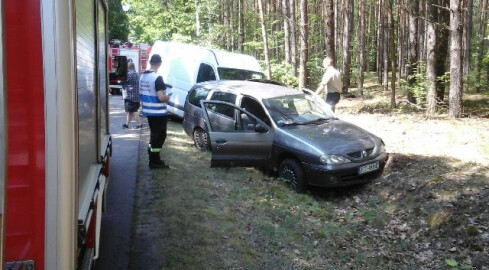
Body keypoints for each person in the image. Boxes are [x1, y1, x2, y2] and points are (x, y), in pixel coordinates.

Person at [139, 54, 172, 169]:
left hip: (148, 111)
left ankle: (151, 155)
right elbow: (161, 98)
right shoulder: (157, 78)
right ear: (159, 63)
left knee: (154, 135)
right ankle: (154, 160)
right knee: (160, 136)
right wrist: (168, 97)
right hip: (158, 112)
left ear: (150, 62)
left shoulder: (143, 76)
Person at [122, 62, 143, 129]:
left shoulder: (128, 75)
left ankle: (139, 124)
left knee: (134, 111)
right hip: (136, 97)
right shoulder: (137, 74)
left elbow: (121, 82)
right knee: (130, 111)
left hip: (130, 96)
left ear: (127, 67)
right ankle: (126, 124)